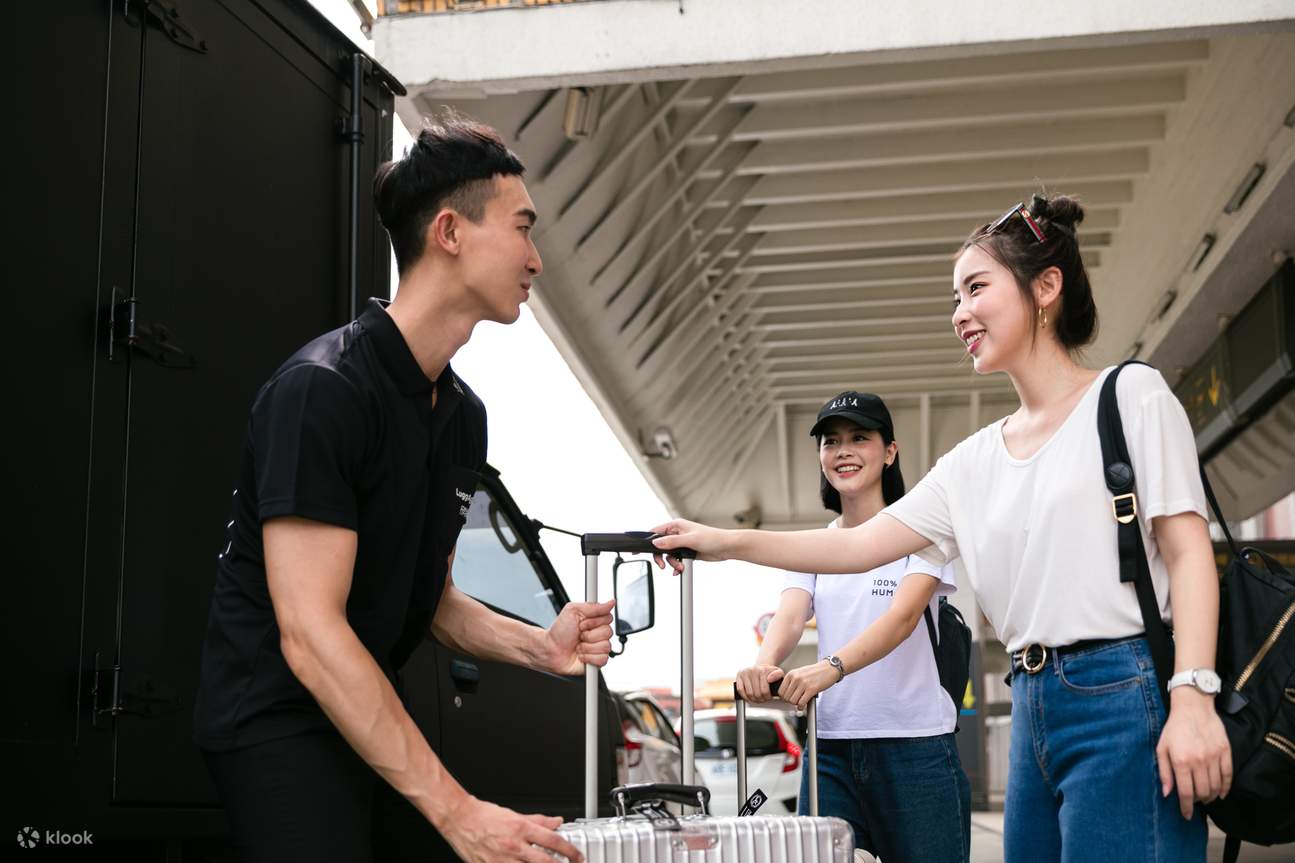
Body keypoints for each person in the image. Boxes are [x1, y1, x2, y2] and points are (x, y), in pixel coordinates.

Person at [653, 194, 1230, 863]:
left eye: (975, 288)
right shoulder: (971, 460)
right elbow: (853, 545)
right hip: (1030, 699)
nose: (959, 314)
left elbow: (1189, 555)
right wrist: (719, 541)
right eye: (953, 297)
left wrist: (1192, 696)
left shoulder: (1129, 396)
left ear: (1046, 286)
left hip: (1122, 690)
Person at [193, 114, 609, 863]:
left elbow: (435, 599)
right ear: (449, 231)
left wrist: (540, 647)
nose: (536, 259)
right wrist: (457, 812)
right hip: (278, 717)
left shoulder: (461, 417)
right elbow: (311, 635)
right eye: (521, 227)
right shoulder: (322, 391)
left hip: (364, 712)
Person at [736, 390, 970, 862]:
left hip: (916, 746)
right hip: (830, 750)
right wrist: (763, 666)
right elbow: (790, 615)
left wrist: (830, 668)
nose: (842, 451)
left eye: (859, 437)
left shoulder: (925, 533)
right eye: (830, 441)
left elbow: (901, 620)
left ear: (889, 452)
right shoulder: (817, 547)